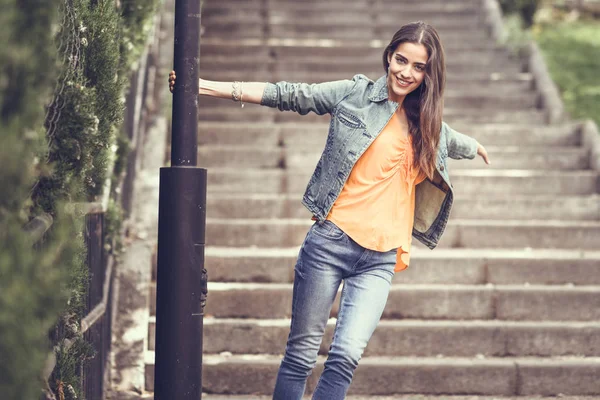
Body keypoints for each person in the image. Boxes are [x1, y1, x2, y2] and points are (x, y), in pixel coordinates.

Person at [169, 21, 491, 400]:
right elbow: (290, 95)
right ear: (388, 57)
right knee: (302, 355)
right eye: (401, 60)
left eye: (418, 67)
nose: (406, 72)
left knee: (346, 356)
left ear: (429, 74)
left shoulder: (427, 121)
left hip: (381, 258)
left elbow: (452, 140)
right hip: (330, 243)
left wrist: (475, 147)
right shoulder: (354, 94)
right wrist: (203, 86)